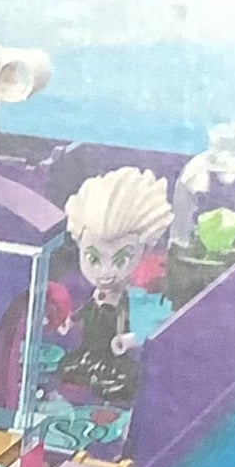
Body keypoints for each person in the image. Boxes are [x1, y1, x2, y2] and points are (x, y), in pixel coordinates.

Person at [55, 166, 173, 403]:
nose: (106, 273)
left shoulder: (128, 301)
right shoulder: (96, 297)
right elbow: (87, 309)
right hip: (90, 348)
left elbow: (145, 326)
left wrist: (128, 340)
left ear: (143, 251)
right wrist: (71, 320)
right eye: (93, 258)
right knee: (72, 368)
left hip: (114, 354)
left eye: (120, 260)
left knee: (115, 378)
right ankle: (90, 364)